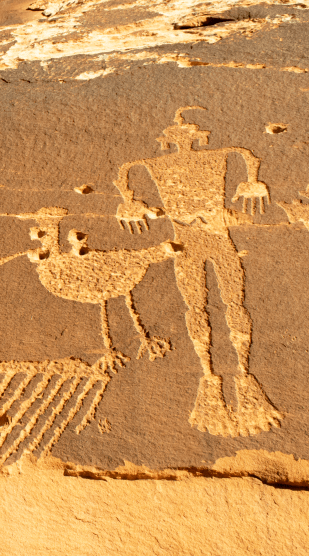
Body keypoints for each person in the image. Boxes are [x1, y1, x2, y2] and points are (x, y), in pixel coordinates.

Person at [114, 107, 281, 436]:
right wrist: (128, 201)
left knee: (222, 304)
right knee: (209, 306)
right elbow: (246, 156)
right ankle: (214, 378)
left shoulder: (163, 163)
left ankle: (238, 377)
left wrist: (129, 200)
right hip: (198, 241)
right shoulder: (182, 161)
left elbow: (125, 174)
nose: (185, 142)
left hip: (207, 240)